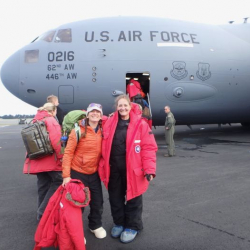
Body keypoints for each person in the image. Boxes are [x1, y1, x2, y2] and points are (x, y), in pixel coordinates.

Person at [99, 94, 158, 243]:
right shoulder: (109, 123)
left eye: (125, 105)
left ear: (130, 106)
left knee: (134, 199)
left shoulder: (141, 124)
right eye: (120, 106)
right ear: (116, 107)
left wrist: (149, 169)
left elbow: (148, 148)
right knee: (115, 198)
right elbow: (92, 120)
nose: (123, 108)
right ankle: (119, 223)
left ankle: (132, 226)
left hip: (133, 170)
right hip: (113, 170)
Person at [62, 103, 107, 239]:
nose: (95, 114)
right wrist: (66, 176)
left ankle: (95, 225)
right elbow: (68, 153)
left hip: (93, 173)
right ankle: (76, 231)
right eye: (92, 112)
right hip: (77, 172)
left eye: (98, 112)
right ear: (87, 114)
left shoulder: (103, 130)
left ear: (101, 115)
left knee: (97, 202)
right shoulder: (78, 130)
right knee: (77, 204)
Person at [23, 103, 63, 221]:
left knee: (43, 187)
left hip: (37, 159)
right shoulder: (50, 120)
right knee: (59, 181)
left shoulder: (34, 120)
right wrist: (61, 157)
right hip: (50, 160)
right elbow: (56, 140)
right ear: (53, 111)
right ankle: (42, 212)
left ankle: (41, 216)